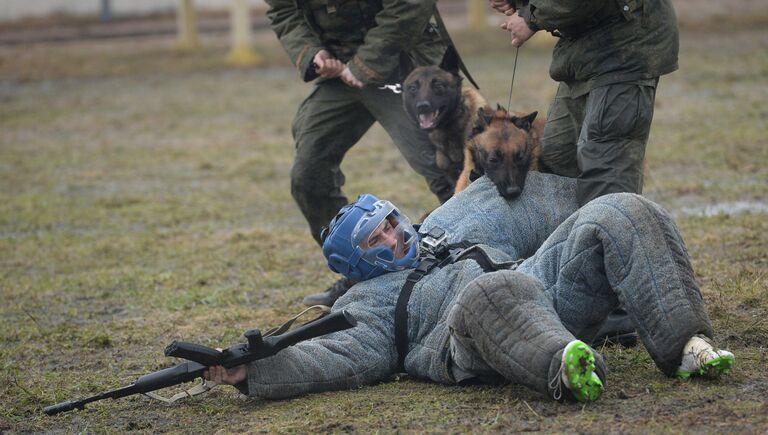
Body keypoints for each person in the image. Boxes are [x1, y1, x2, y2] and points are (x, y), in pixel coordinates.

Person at [205, 173, 734, 403]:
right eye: (378, 238)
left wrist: (596, 192)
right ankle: (569, 370)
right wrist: (252, 371)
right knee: (494, 290)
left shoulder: (447, 222)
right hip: (474, 335)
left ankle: (687, 346)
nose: (397, 234)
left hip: (544, 289)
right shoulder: (364, 304)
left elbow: (525, 197)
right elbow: (333, 358)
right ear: (357, 263)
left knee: (622, 209)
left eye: (393, 220)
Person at [264, 0, 455, 306]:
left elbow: (411, 4)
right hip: (341, 71)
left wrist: (365, 64)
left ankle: (467, 263)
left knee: (444, 168)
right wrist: (313, 54)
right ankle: (362, 275)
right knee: (308, 172)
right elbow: (282, 10)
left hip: (403, 62)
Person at [490, 0, 678, 206]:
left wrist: (530, 18)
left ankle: (605, 234)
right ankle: (575, 233)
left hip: (626, 46)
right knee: (558, 154)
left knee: (606, 167)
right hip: (586, 48)